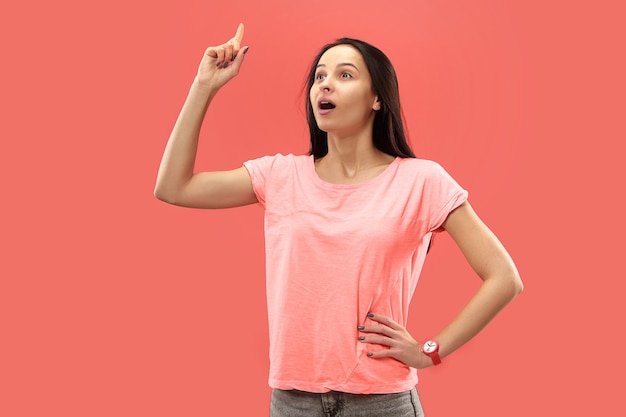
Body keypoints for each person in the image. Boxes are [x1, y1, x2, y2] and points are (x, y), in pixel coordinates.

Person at [154, 23, 523, 417]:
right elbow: (175, 187)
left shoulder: (421, 181)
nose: (325, 85)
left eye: (345, 75)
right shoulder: (279, 177)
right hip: (293, 402)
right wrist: (203, 86)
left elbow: (505, 278)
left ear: (377, 98)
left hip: (383, 403)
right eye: (320, 76)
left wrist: (427, 351)